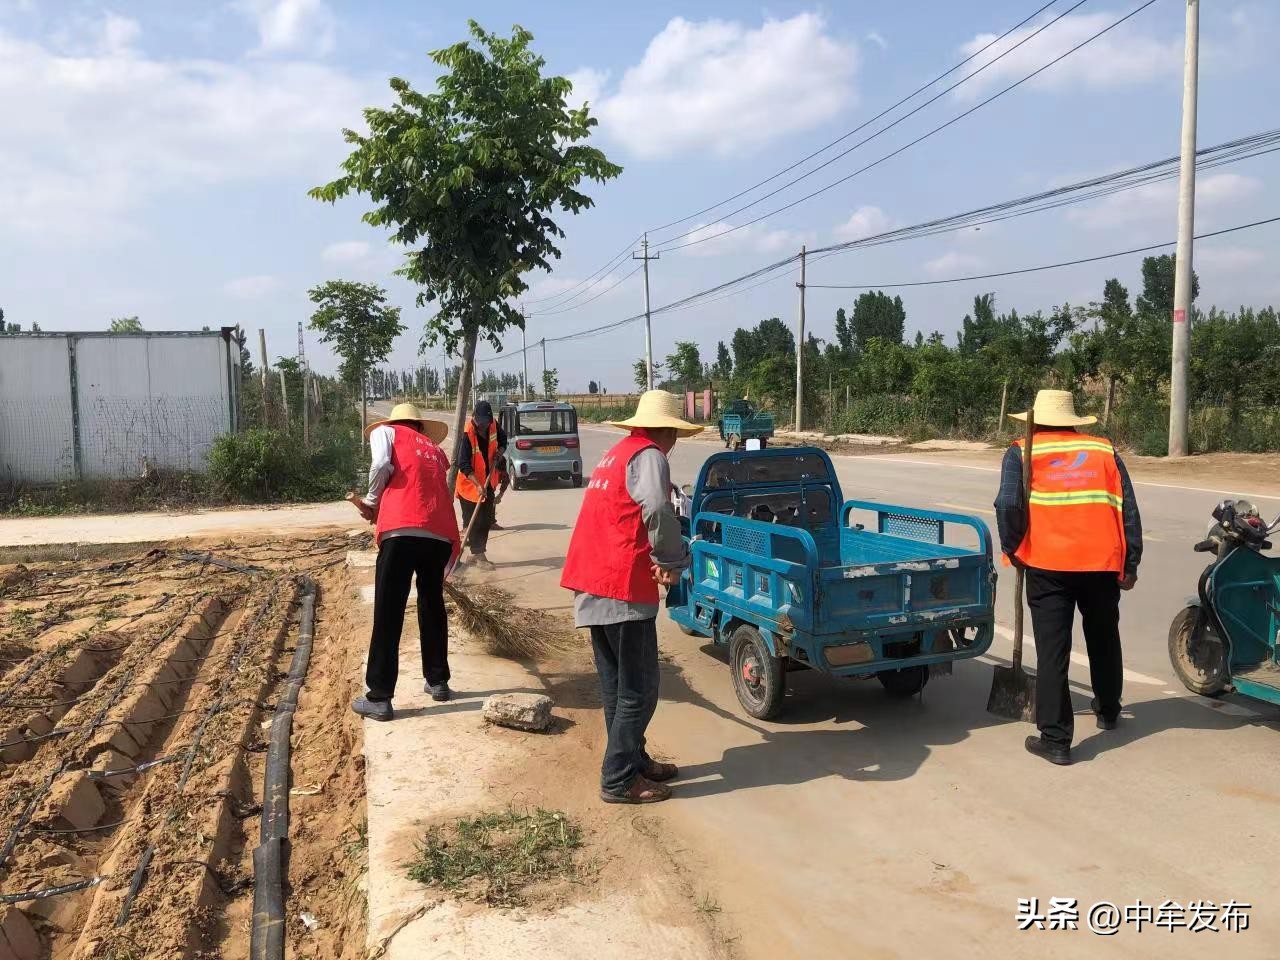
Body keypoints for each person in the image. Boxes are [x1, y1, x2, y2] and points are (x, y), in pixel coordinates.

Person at [560, 390, 702, 804]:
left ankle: (633, 759)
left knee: (615, 685)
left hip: (592, 579)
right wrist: (672, 560)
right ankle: (618, 777)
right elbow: (657, 509)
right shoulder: (651, 455)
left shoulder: (619, 452)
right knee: (640, 689)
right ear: (669, 430)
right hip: (620, 585)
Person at [993, 390, 1143, 766]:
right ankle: (1108, 710)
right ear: (1073, 421)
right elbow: (1128, 510)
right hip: (1101, 563)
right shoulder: (1104, 451)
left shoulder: (1022, 451)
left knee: (1053, 649)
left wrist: (1013, 549)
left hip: (1048, 565)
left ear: (1035, 421)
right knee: (1104, 636)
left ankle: (1056, 739)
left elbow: (1008, 504)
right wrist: (1131, 564)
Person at [348, 403, 460, 720]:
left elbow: (382, 464)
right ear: (420, 427)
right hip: (439, 531)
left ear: (397, 422)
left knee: (389, 607)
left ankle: (380, 696)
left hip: (401, 530)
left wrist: (371, 501)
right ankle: (438, 681)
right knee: (431, 604)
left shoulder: (387, 431)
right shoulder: (435, 451)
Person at [454, 399, 507, 566]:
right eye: (479, 422)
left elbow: (504, 440)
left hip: (487, 481)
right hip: (469, 485)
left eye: (485, 422)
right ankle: (477, 554)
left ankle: (477, 554)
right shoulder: (467, 434)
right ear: (474, 418)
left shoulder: (493, 425)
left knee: (486, 520)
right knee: (473, 521)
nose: (482, 426)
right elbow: (463, 464)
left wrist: (499, 451)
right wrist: (477, 485)